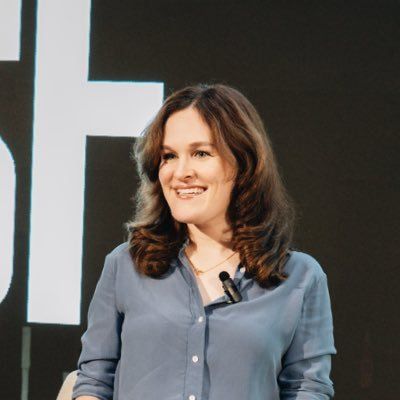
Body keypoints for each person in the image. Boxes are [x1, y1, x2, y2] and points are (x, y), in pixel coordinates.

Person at [72, 83, 337, 400]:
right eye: (169, 156)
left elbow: (307, 388)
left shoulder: (300, 277)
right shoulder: (126, 265)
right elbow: (94, 381)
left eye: (201, 153)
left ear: (242, 163)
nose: (181, 172)